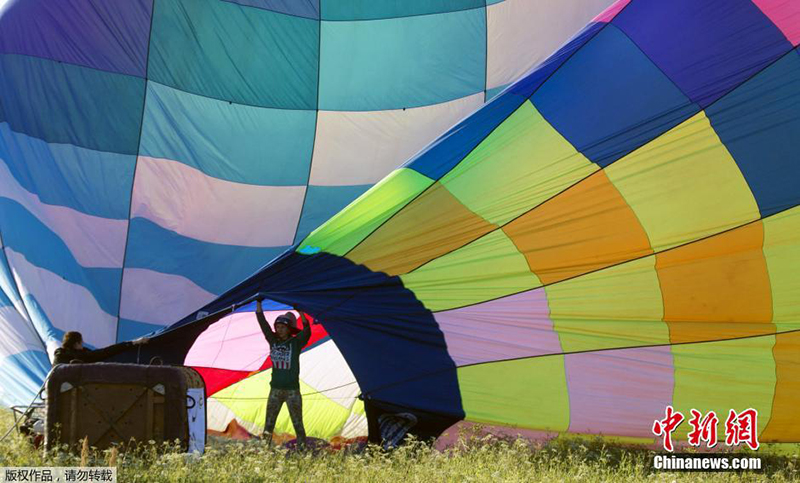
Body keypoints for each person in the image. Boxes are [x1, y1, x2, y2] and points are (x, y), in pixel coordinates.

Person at [255, 299, 313, 447]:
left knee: (298, 424)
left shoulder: (296, 343)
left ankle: (302, 451)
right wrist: (259, 303)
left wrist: (300, 312)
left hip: (292, 391)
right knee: (268, 425)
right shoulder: (272, 340)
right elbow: (263, 323)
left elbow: (307, 331)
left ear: (289, 329)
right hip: (275, 390)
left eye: (282, 327)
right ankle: (264, 453)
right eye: (277, 326)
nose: (279, 329)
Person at [53, 331, 149, 365]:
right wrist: (132, 343)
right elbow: (105, 352)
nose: (83, 345)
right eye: (81, 343)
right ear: (76, 344)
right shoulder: (82, 356)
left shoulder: (59, 356)